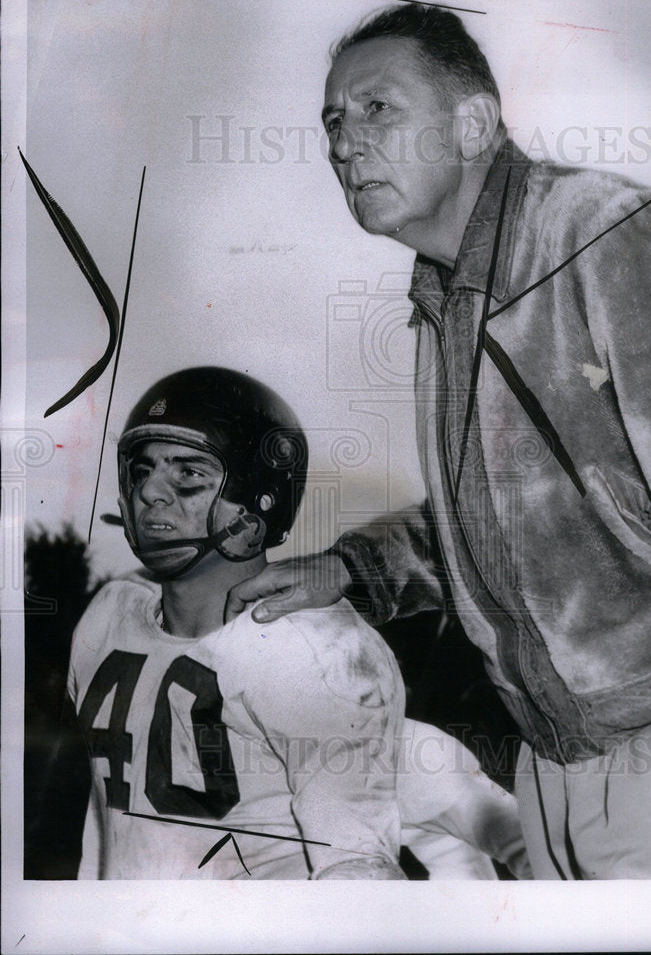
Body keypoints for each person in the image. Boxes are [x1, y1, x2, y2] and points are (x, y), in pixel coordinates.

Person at [227, 4, 651, 879]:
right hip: (550, 772)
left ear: (476, 122)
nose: (344, 144)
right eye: (332, 123)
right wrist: (353, 569)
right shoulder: (446, 299)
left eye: (377, 109)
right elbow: (514, 512)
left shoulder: (619, 236)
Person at [63, 365, 530, 879]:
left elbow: (356, 877)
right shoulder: (111, 616)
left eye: (189, 473)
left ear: (260, 495)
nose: (151, 491)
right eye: (141, 469)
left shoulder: (312, 650)